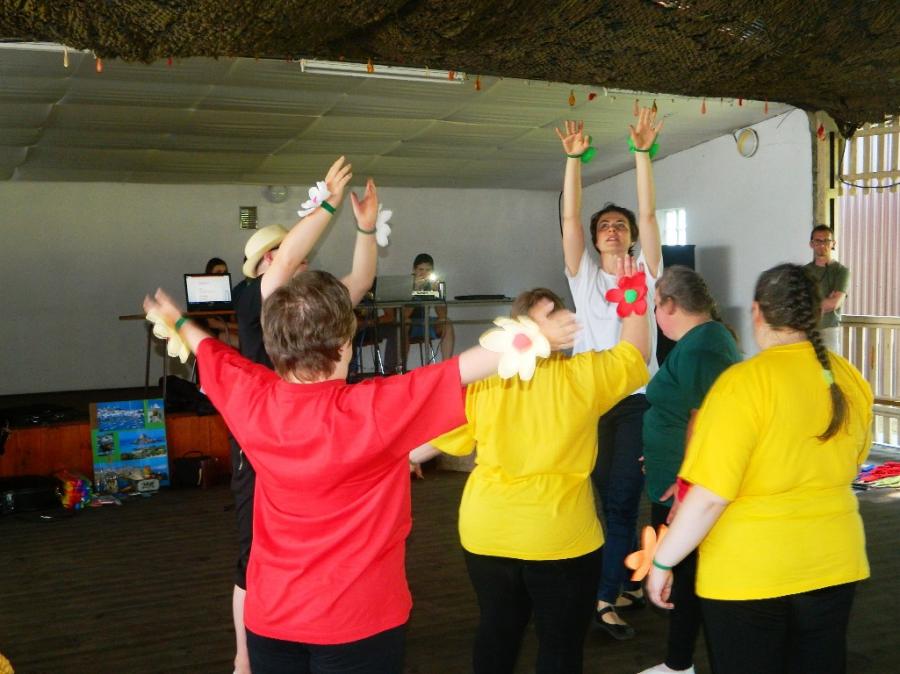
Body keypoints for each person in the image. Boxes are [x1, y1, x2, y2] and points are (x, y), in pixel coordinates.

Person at [142, 270, 579, 674]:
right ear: (344, 344)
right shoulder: (373, 409)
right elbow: (464, 368)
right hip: (359, 623)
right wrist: (536, 334)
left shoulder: (251, 397)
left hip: (271, 617)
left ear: (274, 346)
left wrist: (178, 321)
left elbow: (212, 352)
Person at [412, 263, 650, 674]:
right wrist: (632, 293)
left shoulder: (485, 382)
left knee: (498, 633)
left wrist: (401, 457)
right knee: (559, 647)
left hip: (489, 533)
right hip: (560, 537)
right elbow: (636, 353)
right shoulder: (584, 376)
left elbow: (424, 446)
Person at [646, 263, 873, 674]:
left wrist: (663, 562)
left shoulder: (742, 384)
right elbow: (855, 460)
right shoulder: (847, 378)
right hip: (834, 562)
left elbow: (710, 496)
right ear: (815, 312)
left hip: (749, 573)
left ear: (757, 312)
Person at [229, 157, 373, 674]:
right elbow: (291, 255)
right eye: (292, 251)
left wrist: (366, 229)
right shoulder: (257, 296)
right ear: (269, 260)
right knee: (252, 555)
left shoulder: (305, 304)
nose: (303, 257)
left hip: (304, 432)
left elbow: (361, 280)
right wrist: (328, 203)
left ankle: (305, 630)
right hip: (263, 436)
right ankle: (245, 659)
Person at [555, 108, 663, 638]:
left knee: (621, 499)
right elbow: (570, 219)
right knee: (604, 500)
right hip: (590, 402)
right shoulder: (583, 279)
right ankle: (617, 583)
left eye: (620, 225)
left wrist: (642, 154)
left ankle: (602, 599)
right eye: (605, 226)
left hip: (637, 402)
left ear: (631, 238)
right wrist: (574, 161)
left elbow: (649, 213)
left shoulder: (647, 273)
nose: (613, 230)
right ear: (596, 241)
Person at [637, 266, 741, 674]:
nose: (654, 315)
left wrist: (686, 485)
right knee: (686, 576)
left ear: (670, 305)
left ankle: (681, 664)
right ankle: (678, 663)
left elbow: (703, 420)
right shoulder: (700, 342)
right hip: (675, 479)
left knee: (689, 576)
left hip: (686, 490)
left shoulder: (703, 347)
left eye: (655, 305)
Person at [804, 224, 850, 354]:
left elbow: (834, 303)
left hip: (829, 330)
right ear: (811, 244)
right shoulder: (803, 272)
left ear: (833, 243)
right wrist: (824, 302)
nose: (822, 245)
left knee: (829, 366)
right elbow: (796, 303)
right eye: (818, 241)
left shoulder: (841, 271)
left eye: (826, 241)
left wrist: (810, 303)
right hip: (805, 331)